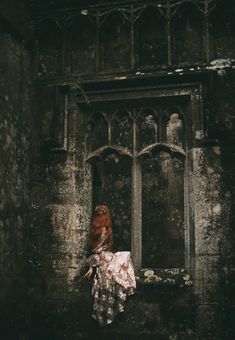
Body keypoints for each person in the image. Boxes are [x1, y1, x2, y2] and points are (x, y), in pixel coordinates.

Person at [84, 204, 136, 327]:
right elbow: (97, 252)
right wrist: (92, 266)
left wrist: (93, 265)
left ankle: (105, 316)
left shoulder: (102, 230)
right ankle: (106, 315)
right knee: (107, 280)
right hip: (102, 259)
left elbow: (97, 251)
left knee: (111, 275)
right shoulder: (103, 230)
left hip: (103, 258)